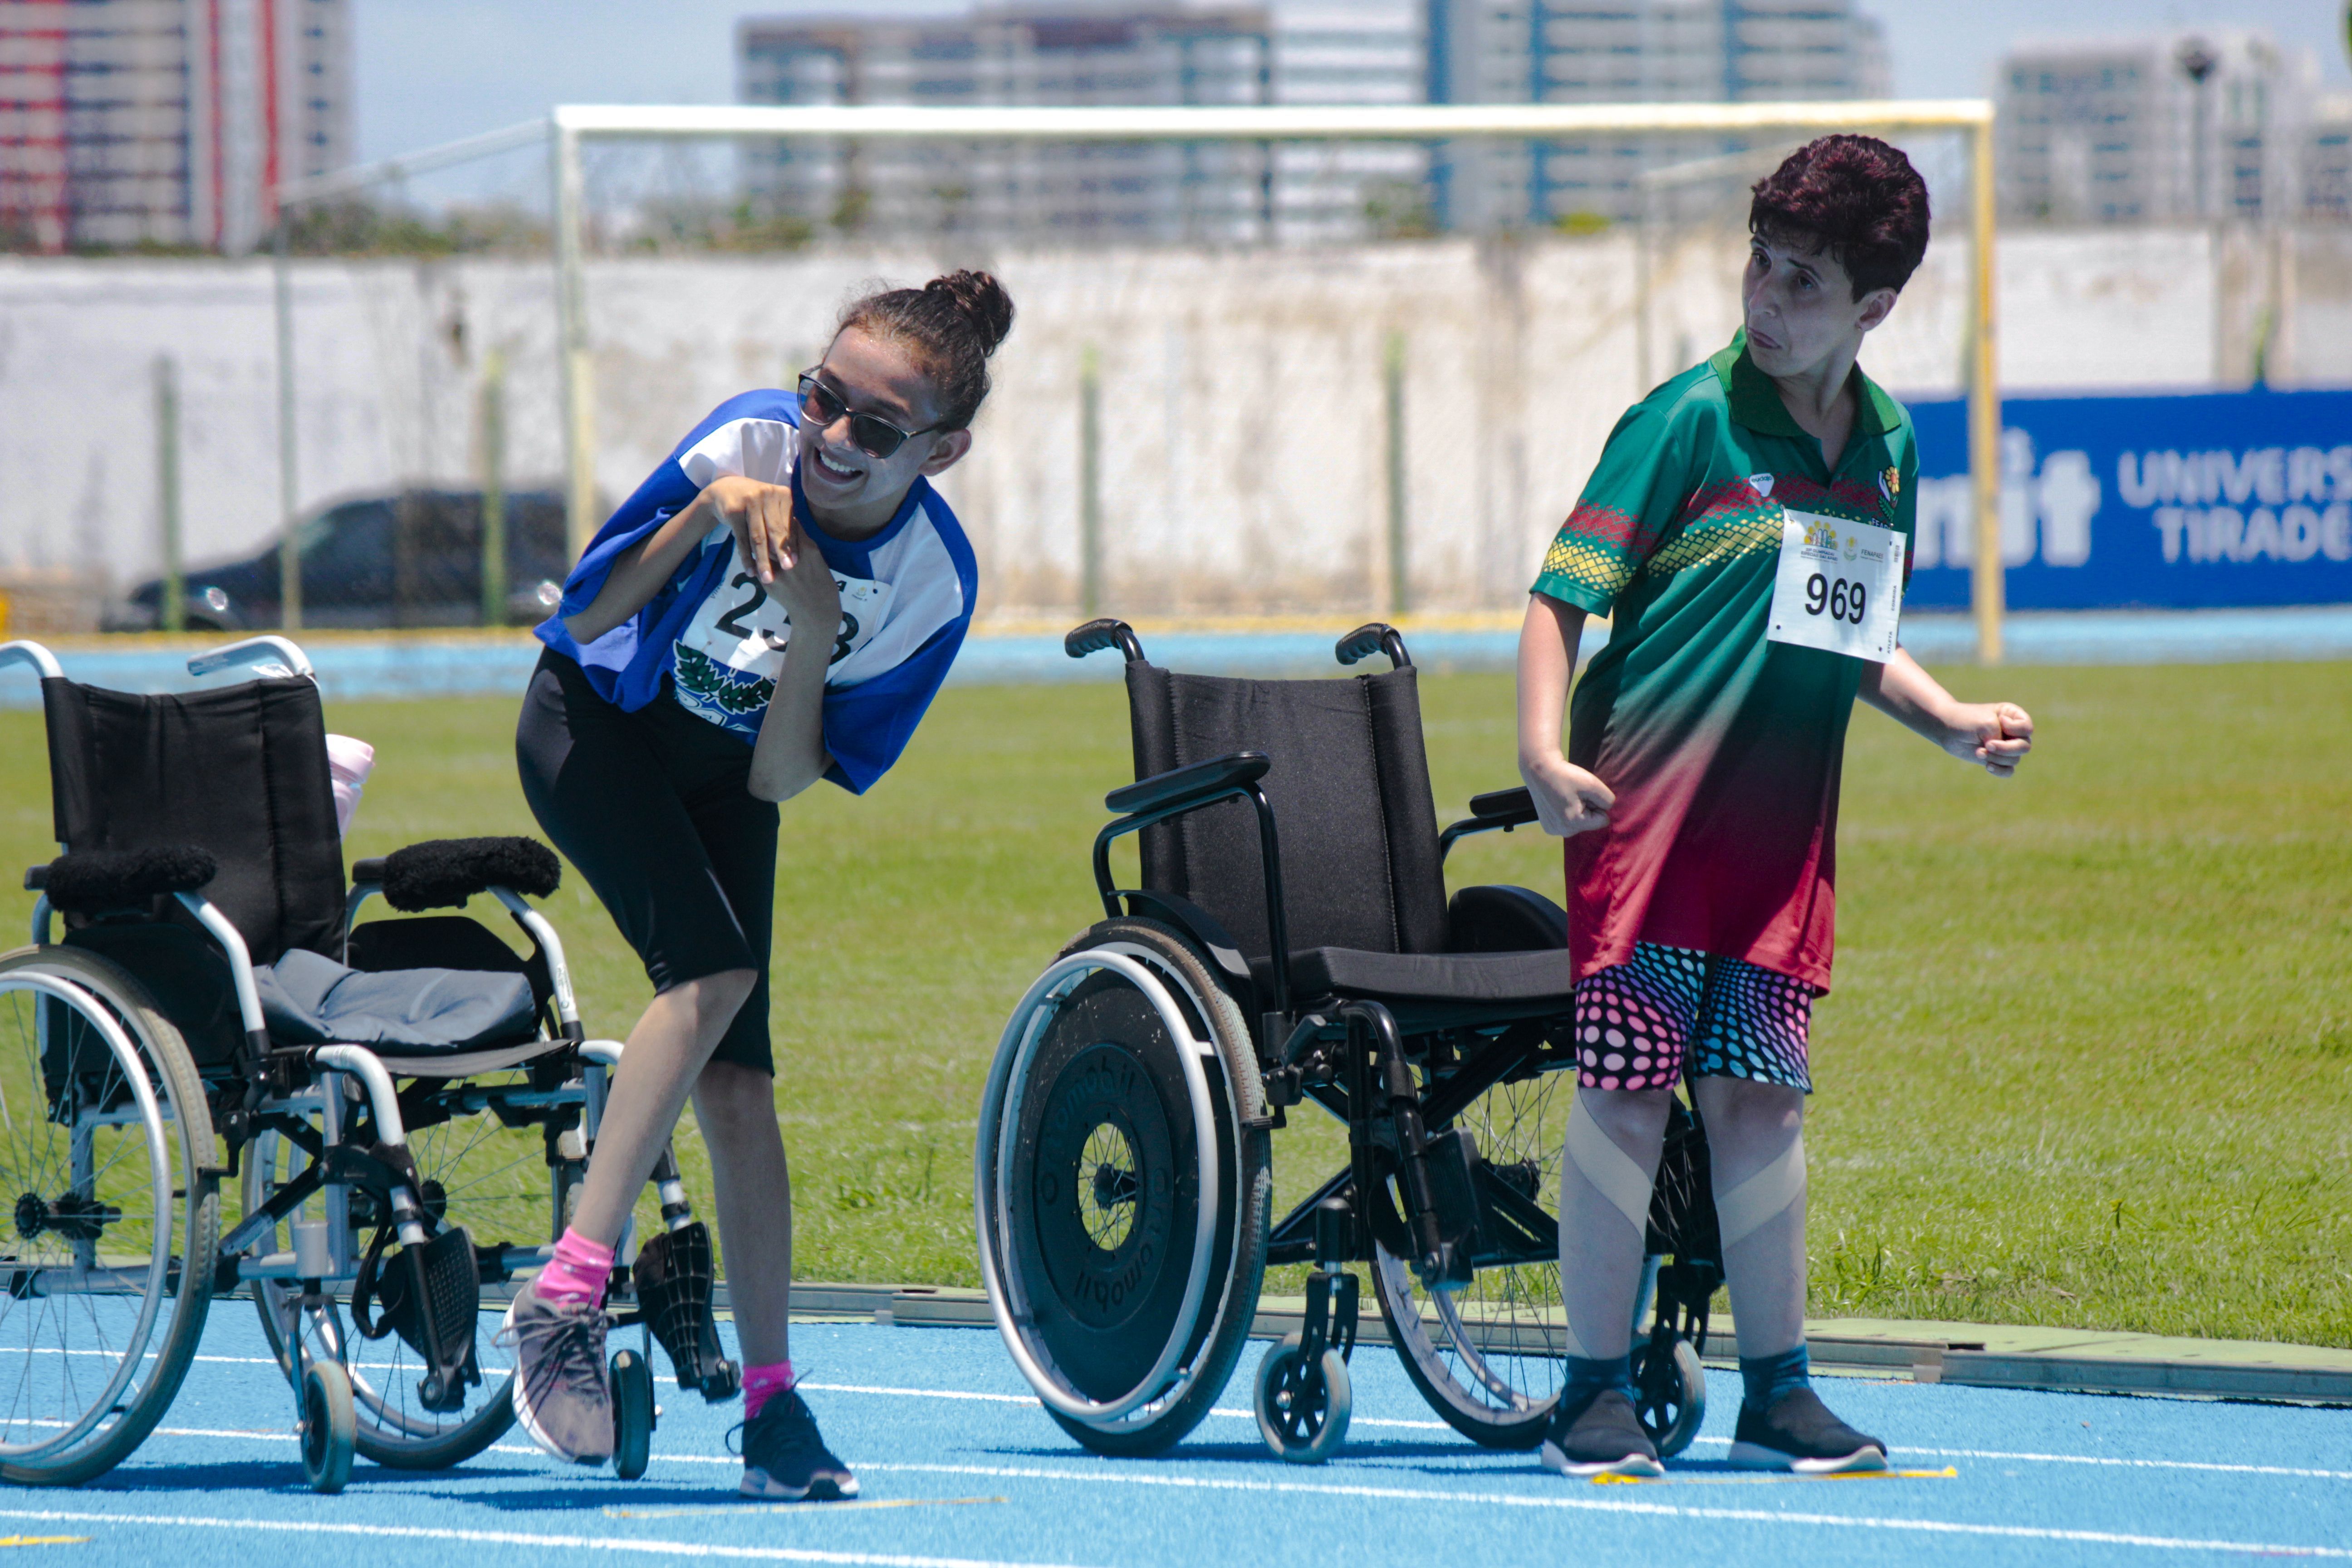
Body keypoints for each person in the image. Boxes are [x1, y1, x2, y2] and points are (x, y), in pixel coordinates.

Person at [1514, 137, 2033, 1478]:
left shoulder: (1890, 450)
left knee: (1762, 1104)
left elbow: (1846, 635)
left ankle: (1781, 1391)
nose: (1766, 297)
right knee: (1628, 1095)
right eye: (1760, 263)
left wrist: (1951, 719)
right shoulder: (1685, 419)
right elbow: (1556, 603)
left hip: (1778, 851)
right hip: (1643, 832)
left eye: (1802, 280)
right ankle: (1591, 1390)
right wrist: (1537, 752)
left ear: (1875, 308)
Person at [507, 270, 1014, 1498]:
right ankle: (567, 1290)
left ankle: (774, 1412)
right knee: (714, 972)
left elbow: (786, 776)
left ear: (939, 452)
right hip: (595, 731)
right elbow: (587, 620)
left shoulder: (933, 587)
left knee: (742, 1085)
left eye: (877, 429)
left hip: (735, 775)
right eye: (824, 401)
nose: (833, 441)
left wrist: (817, 629)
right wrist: (706, 511)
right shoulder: (745, 442)